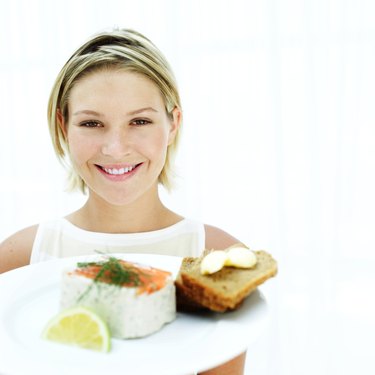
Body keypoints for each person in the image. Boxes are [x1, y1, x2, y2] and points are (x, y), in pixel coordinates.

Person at [0, 28, 246, 374]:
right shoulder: (18, 259)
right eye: (91, 123)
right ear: (63, 125)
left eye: (140, 121)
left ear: (173, 123)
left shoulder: (217, 260)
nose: (115, 148)